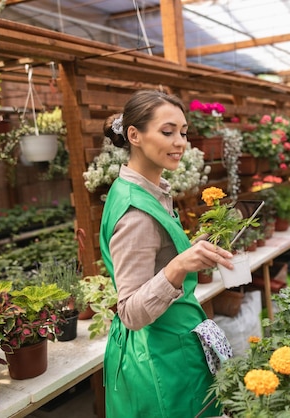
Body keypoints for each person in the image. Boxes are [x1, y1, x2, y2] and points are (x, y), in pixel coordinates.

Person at [99, 89, 234, 417]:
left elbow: (154, 258)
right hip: (160, 356)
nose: (180, 142)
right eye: (167, 132)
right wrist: (178, 266)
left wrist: (196, 246)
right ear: (135, 135)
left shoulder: (142, 191)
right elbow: (130, 311)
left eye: (184, 133)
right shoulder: (136, 213)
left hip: (168, 345)